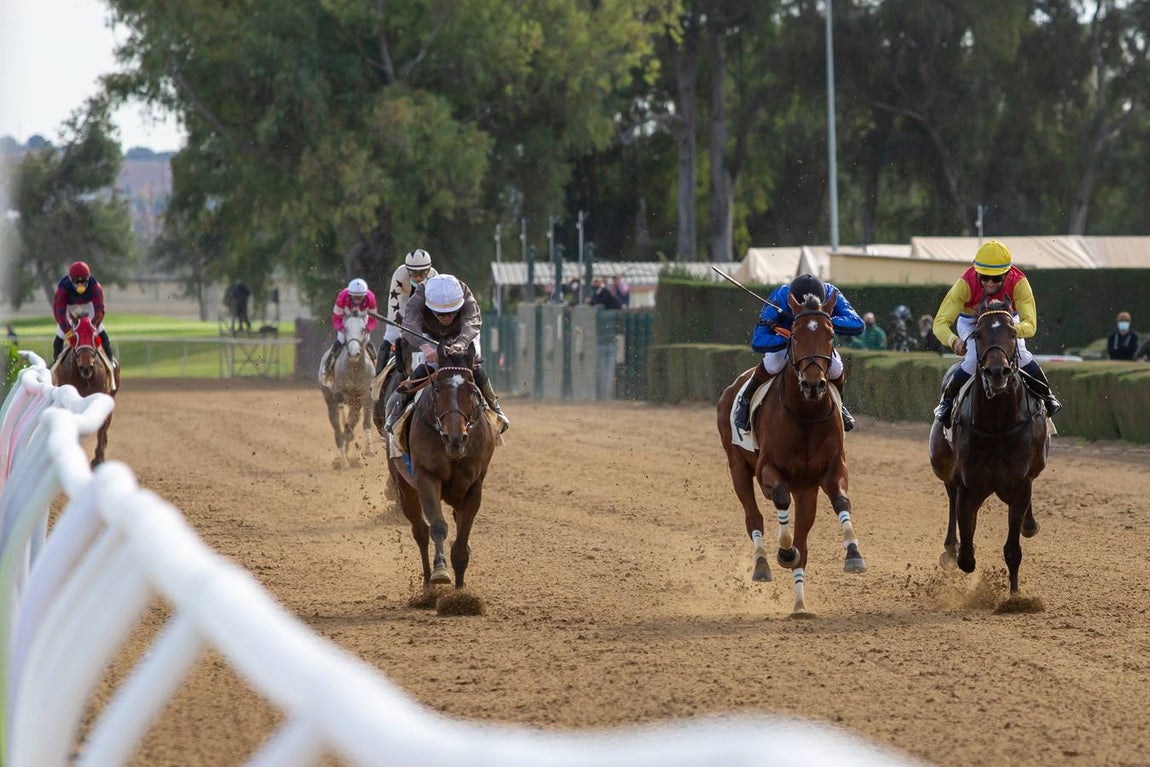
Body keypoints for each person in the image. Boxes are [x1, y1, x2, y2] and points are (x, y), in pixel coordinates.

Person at [931, 240, 1062, 422]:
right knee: (972, 359)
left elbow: (1030, 325)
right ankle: (946, 402)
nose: (990, 283)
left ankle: (1048, 396)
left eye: (996, 278)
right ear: (976, 271)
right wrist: (954, 341)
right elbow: (940, 323)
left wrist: (1005, 330)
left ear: (1008, 273)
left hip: (1008, 321)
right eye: (984, 277)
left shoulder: (1019, 283)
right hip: (972, 322)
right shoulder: (964, 284)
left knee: (1022, 355)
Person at [733, 273, 864, 433]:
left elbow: (857, 323)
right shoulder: (780, 295)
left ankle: (840, 406)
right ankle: (745, 402)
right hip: (788, 340)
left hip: (817, 341)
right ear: (791, 300)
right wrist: (793, 337)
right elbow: (758, 340)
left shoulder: (831, 292)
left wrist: (820, 320)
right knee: (773, 364)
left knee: (836, 367)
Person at [383, 274, 509, 434]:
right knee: (427, 366)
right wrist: (425, 347)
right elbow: (410, 324)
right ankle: (399, 408)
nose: (447, 318)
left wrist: (461, 343)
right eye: (440, 314)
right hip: (429, 335)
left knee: (472, 365)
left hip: (463, 334)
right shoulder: (420, 295)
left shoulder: (465, 294)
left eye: (452, 313)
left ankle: (494, 407)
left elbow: (472, 322)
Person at [378, 248, 438, 376]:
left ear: (428, 271)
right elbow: (394, 305)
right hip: (401, 309)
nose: (417, 278)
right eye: (413, 273)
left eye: (421, 273)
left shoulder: (434, 277)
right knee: (389, 340)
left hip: (424, 312)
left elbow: (436, 307)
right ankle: (377, 385)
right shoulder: (399, 275)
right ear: (407, 270)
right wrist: (401, 331)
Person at [52, 261, 115, 365]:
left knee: (102, 333)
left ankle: (111, 363)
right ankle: (55, 366)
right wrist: (68, 334)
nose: (80, 285)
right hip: (69, 308)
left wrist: (93, 327)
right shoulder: (62, 288)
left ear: (88, 278)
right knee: (59, 337)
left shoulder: (95, 287)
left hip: (88, 306)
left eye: (83, 281)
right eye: (76, 282)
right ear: (70, 279)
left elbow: (100, 311)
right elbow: (60, 314)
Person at [323, 277, 378, 382]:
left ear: (364, 295)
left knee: (367, 342)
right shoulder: (342, 297)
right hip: (346, 322)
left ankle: (376, 368)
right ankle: (327, 369)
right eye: (355, 297)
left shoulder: (370, 298)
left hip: (362, 322)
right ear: (350, 294)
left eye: (360, 297)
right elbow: (336, 318)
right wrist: (341, 328)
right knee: (340, 340)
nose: (357, 300)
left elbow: (373, 319)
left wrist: (367, 328)